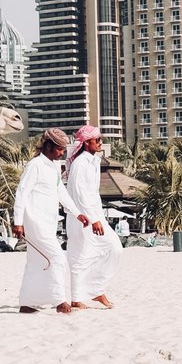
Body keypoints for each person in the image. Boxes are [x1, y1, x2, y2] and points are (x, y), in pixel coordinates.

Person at [13, 128, 89, 314]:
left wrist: (77, 212)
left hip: (48, 221)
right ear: (48, 146)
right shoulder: (35, 165)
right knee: (57, 258)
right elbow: (21, 192)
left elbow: (60, 192)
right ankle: (60, 302)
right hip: (34, 221)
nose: (62, 153)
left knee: (35, 261)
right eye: (59, 149)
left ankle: (27, 303)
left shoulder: (53, 167)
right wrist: (18, 221)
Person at [66, 125, 123, 310]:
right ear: (86, 142)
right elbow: (79, 194)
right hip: (82, 217)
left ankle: (96, 289)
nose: (100, 143)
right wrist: (93, 219)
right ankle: (77, 298)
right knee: (80, 256)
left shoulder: (94, 161)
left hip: (96, 214)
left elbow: (91, 194)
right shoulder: (80, 163)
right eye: (97, 140)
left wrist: (98, 217)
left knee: (114, 248)